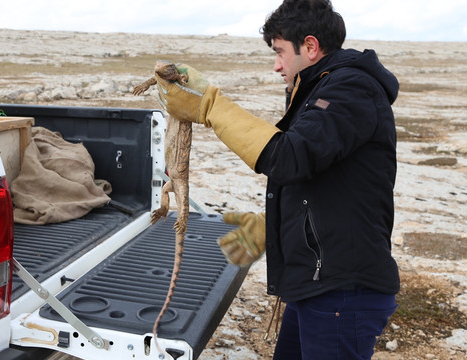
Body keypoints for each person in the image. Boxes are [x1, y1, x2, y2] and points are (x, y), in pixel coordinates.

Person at [154, 0, 400, 358]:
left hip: (343, 292)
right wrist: (275, 227)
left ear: (311, 46)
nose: (276, 65)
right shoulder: (320, 87)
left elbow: (290, 157)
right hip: (317, 284)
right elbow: (322, 177)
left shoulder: (351, 89)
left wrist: (211, 107)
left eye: (280, 52)